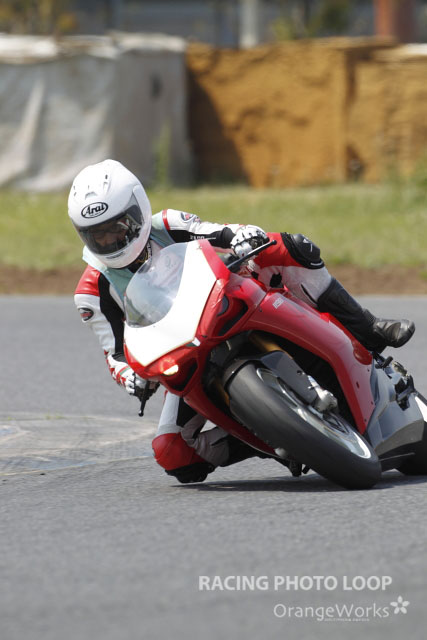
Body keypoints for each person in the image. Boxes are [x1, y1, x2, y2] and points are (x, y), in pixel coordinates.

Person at [68, 159, 415, 483]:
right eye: (97, 235)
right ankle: (275, 436)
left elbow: (220, 232)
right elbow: (114, 353)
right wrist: (130, 378)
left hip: (224, 301)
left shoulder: (168, 224)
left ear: (138, 211)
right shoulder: (91, 290)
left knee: (289, 246)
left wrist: (242, 235)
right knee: (173, 454)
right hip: (181, 351)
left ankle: (366, 327)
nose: (110, 241)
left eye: (117, 228)